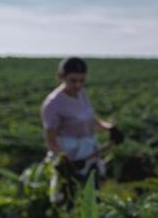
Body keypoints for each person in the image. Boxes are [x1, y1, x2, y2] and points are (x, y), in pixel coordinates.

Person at [40, 57, 123, 201]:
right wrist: (66, 160)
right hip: (69, 156)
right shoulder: (52, 104)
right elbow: (50, 141)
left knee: (94, 196)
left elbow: (91, 122)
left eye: (82, 80)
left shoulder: (82, 95)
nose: (78, 85)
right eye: (73, 80)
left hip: (90, 153)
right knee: (69, 197)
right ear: (61, 77)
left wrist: (109, 128)